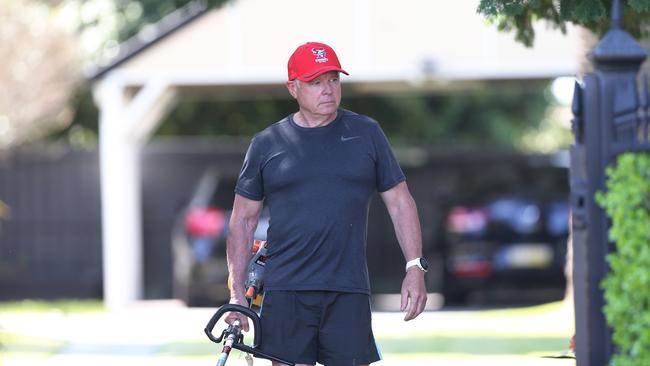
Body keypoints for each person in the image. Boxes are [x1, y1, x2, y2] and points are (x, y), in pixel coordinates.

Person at [225, 41, 427, 366]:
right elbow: (242, 221)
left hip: (348, 290)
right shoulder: (267, 145)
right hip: (286, 290)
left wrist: (415, 267)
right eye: (316, 82)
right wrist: (237, 295)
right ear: (293, 88)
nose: (328, 90)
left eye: (333, 79)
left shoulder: (366, 133)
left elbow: (401, 203)